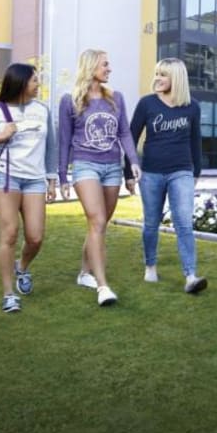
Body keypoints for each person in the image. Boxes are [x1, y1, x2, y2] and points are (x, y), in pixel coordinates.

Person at [0, 63, 58, 314]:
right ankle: (8, 295)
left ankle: (22, 267)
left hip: (35, 180)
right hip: (6, 179)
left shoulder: (42, 110)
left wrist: (51, 179)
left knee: (36, 237)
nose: (38, 84)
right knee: (10, 234)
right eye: (34, 80)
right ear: (20, 83)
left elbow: (51, 147)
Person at [58, 49, 141, 307]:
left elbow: (125, 133)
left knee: (99, 225)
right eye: (105, 64)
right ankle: (102, 287)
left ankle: (84, 273)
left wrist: (133, 163)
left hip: (112, 168)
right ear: (92, 66)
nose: (109, 69)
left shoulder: (116, 98)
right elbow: (63, 141)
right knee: (97, 220)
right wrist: (62, 175)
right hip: (85, 166)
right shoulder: (69, 100)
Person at [129, 57, 207, 294]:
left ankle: (190, 276)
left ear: (177, 78)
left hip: (181, 171)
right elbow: (131, 138)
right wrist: (129, 173)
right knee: (151, 224)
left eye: (164, 74)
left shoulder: (192, 107)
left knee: (184, 222)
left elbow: (195, 141)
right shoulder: (147, 104)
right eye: (157, 74)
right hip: (150, 172)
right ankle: (150, 266)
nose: (158, 79)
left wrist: (196, 172)